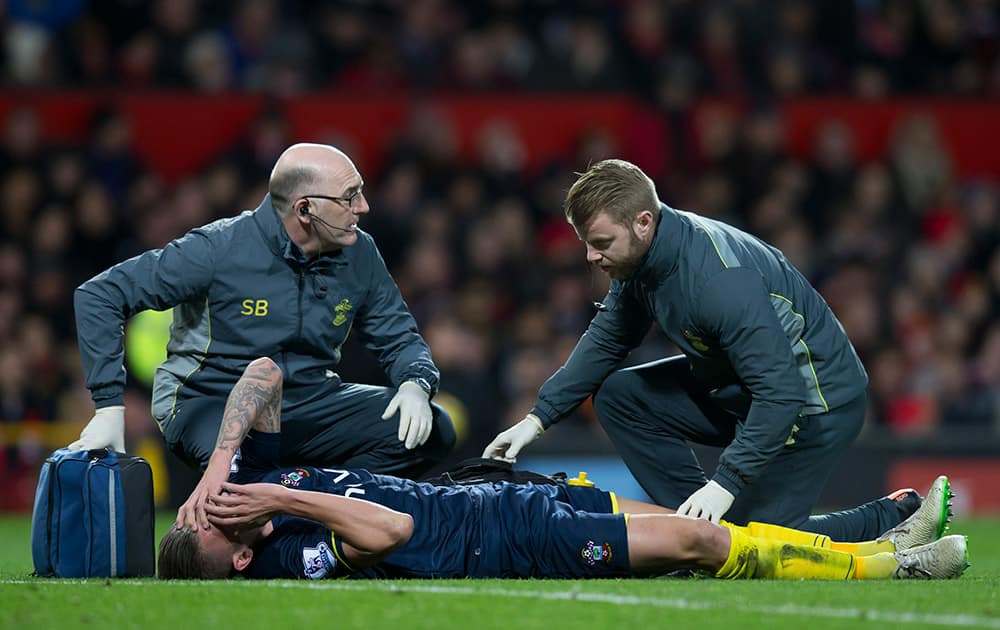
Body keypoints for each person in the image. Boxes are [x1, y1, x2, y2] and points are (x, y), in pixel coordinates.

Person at [157, 357, 967, 582]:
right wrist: (276, 493)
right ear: (234, 553)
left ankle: (889, 534)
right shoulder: (284, 557)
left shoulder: (252, 486)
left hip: (500, 496)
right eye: (210, 518)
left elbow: (262, 374)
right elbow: (392, 528)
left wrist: (223, 464)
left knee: (708, 532)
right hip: (507, 541)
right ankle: (890, 566)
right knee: (704, 546)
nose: (214, 504)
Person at [483, 158, 908, 542]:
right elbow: (608, 338)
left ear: (643, 222)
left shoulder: (717, 281)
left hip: (815, 401)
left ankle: (895, 514)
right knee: (619, 397)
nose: (591, 256)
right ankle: (695, 531)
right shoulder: (642, 259)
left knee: (762, 540)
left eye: (600, 242)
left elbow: (782, 393)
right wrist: (538, 419)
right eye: (586, 243)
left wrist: (726, 483)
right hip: (741, 385)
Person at [69, 143, 455, 528]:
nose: (364, 207)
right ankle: (299, 512)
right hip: (209, 398)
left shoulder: (360, 253)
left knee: (433, 430)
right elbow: (101, 294)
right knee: (239, 480)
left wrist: (415, 383)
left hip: (308, 399)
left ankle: (321, 509)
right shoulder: (218, 249)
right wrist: (108, 406)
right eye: (350, 197)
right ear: (305, 209)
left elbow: (398, 334)